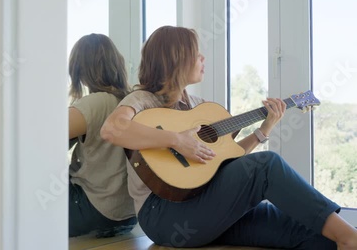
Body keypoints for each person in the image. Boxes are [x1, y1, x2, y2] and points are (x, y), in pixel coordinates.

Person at [100, 25, 357, 249]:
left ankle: (348, 238)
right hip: (165, 216)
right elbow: (112, 129)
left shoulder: (200, 107)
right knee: (266, 164)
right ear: (176, 59)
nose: (202, 58)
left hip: (203, 205)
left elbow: (226, 162)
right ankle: (350, 237)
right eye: (195, 53)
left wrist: (264, 128)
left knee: (310, 234)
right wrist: (177, 140)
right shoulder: (142, 100)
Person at [68, 33, 137, 238]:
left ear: (79, 70)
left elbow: (42, 138)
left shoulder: (95, 103)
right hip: (128, 216)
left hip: (92, 208)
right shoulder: (132, 100)